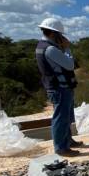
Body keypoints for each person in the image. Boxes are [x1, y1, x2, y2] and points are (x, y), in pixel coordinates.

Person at [35, 17, 81, 157]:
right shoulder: (50, 49)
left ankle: (67, 141)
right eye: (60, 35)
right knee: (60, 118)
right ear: (54, 34)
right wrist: (67, 49)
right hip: (59, 88)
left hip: (58, 86)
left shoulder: (42, 46)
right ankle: (61, 147)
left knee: (65, 116)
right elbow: (70, 65)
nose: (62, 37)